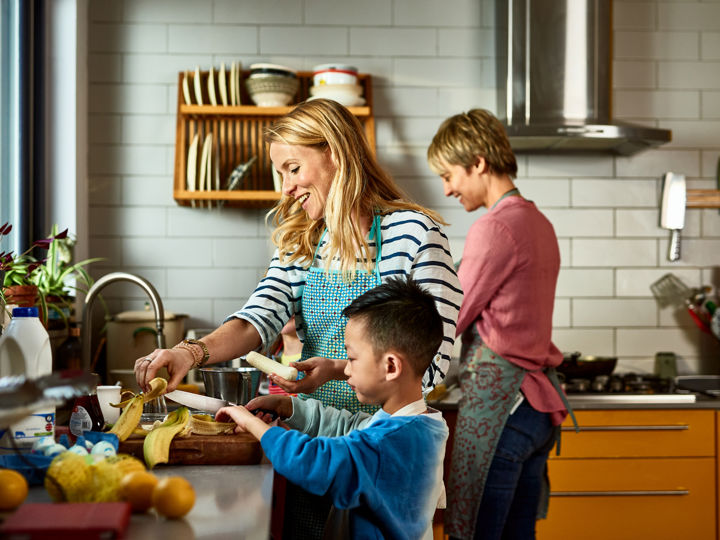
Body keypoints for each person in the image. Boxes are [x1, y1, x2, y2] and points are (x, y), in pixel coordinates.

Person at [135, 98, 462, 536]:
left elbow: (430, 360)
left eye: (293, 168)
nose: (285, 188)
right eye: (280, 174)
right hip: (310, 442)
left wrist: (339, 369)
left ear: (335, 154)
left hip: (384, 452)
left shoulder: (417, 234)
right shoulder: (302, 241)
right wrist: (189, 353)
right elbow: (259, 317)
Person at [426, 109, 573, 540]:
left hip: (502, 409)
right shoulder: (538, 222)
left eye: (449, 174)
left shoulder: (494, 228)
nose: (447, 188)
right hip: (536, 412)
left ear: (478, 163)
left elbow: (451, 314)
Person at [216, 276, 449, 540]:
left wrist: (250, 423)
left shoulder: (387, 442)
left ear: (391, 366)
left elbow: (312, 460)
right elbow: (348, 426)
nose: (345, 370)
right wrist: (289, 406)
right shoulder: (420, 424)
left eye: (351, 358)